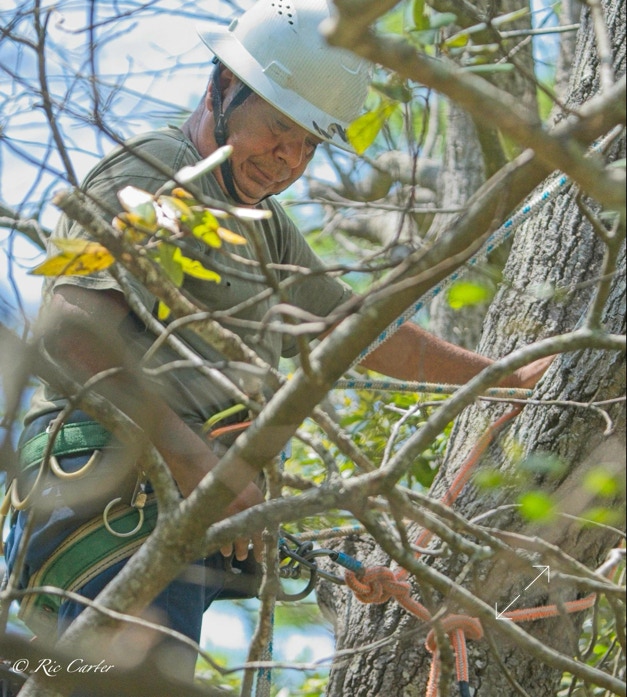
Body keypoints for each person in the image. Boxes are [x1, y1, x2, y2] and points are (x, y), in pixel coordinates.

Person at [3, 0, 551, 690]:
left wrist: (500, 376)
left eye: (309, 145)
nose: (288, 160)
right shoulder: (157, 172)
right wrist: (199, 463)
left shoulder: (262, 223)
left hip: (165, 514)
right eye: (278, 129)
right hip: (112, 502)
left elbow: (354, 329)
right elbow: (69, 334)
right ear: (222, 88)